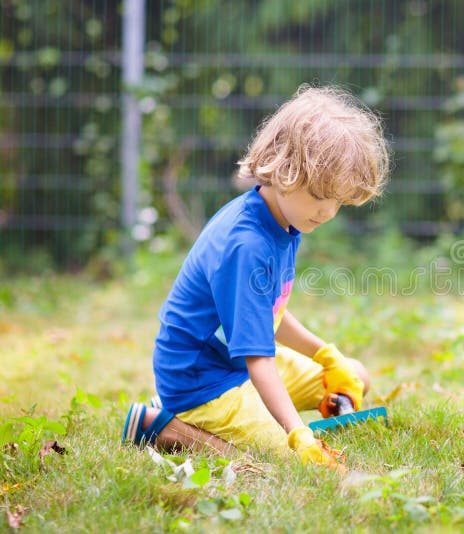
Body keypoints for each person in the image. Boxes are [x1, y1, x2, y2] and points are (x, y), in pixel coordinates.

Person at [122, 85, 390, 471]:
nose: (329, 211)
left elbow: (270, 312)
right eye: (320, 196)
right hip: (202, 382)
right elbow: (258, 361)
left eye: (340, 201)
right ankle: (167, 426)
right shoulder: (246, 245)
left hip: (236, 365)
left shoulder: (286, 219)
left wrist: (325, 355)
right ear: (284, 170)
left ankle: (249, 423)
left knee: (354, 377)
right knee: (287, 460)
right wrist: (298, 434)